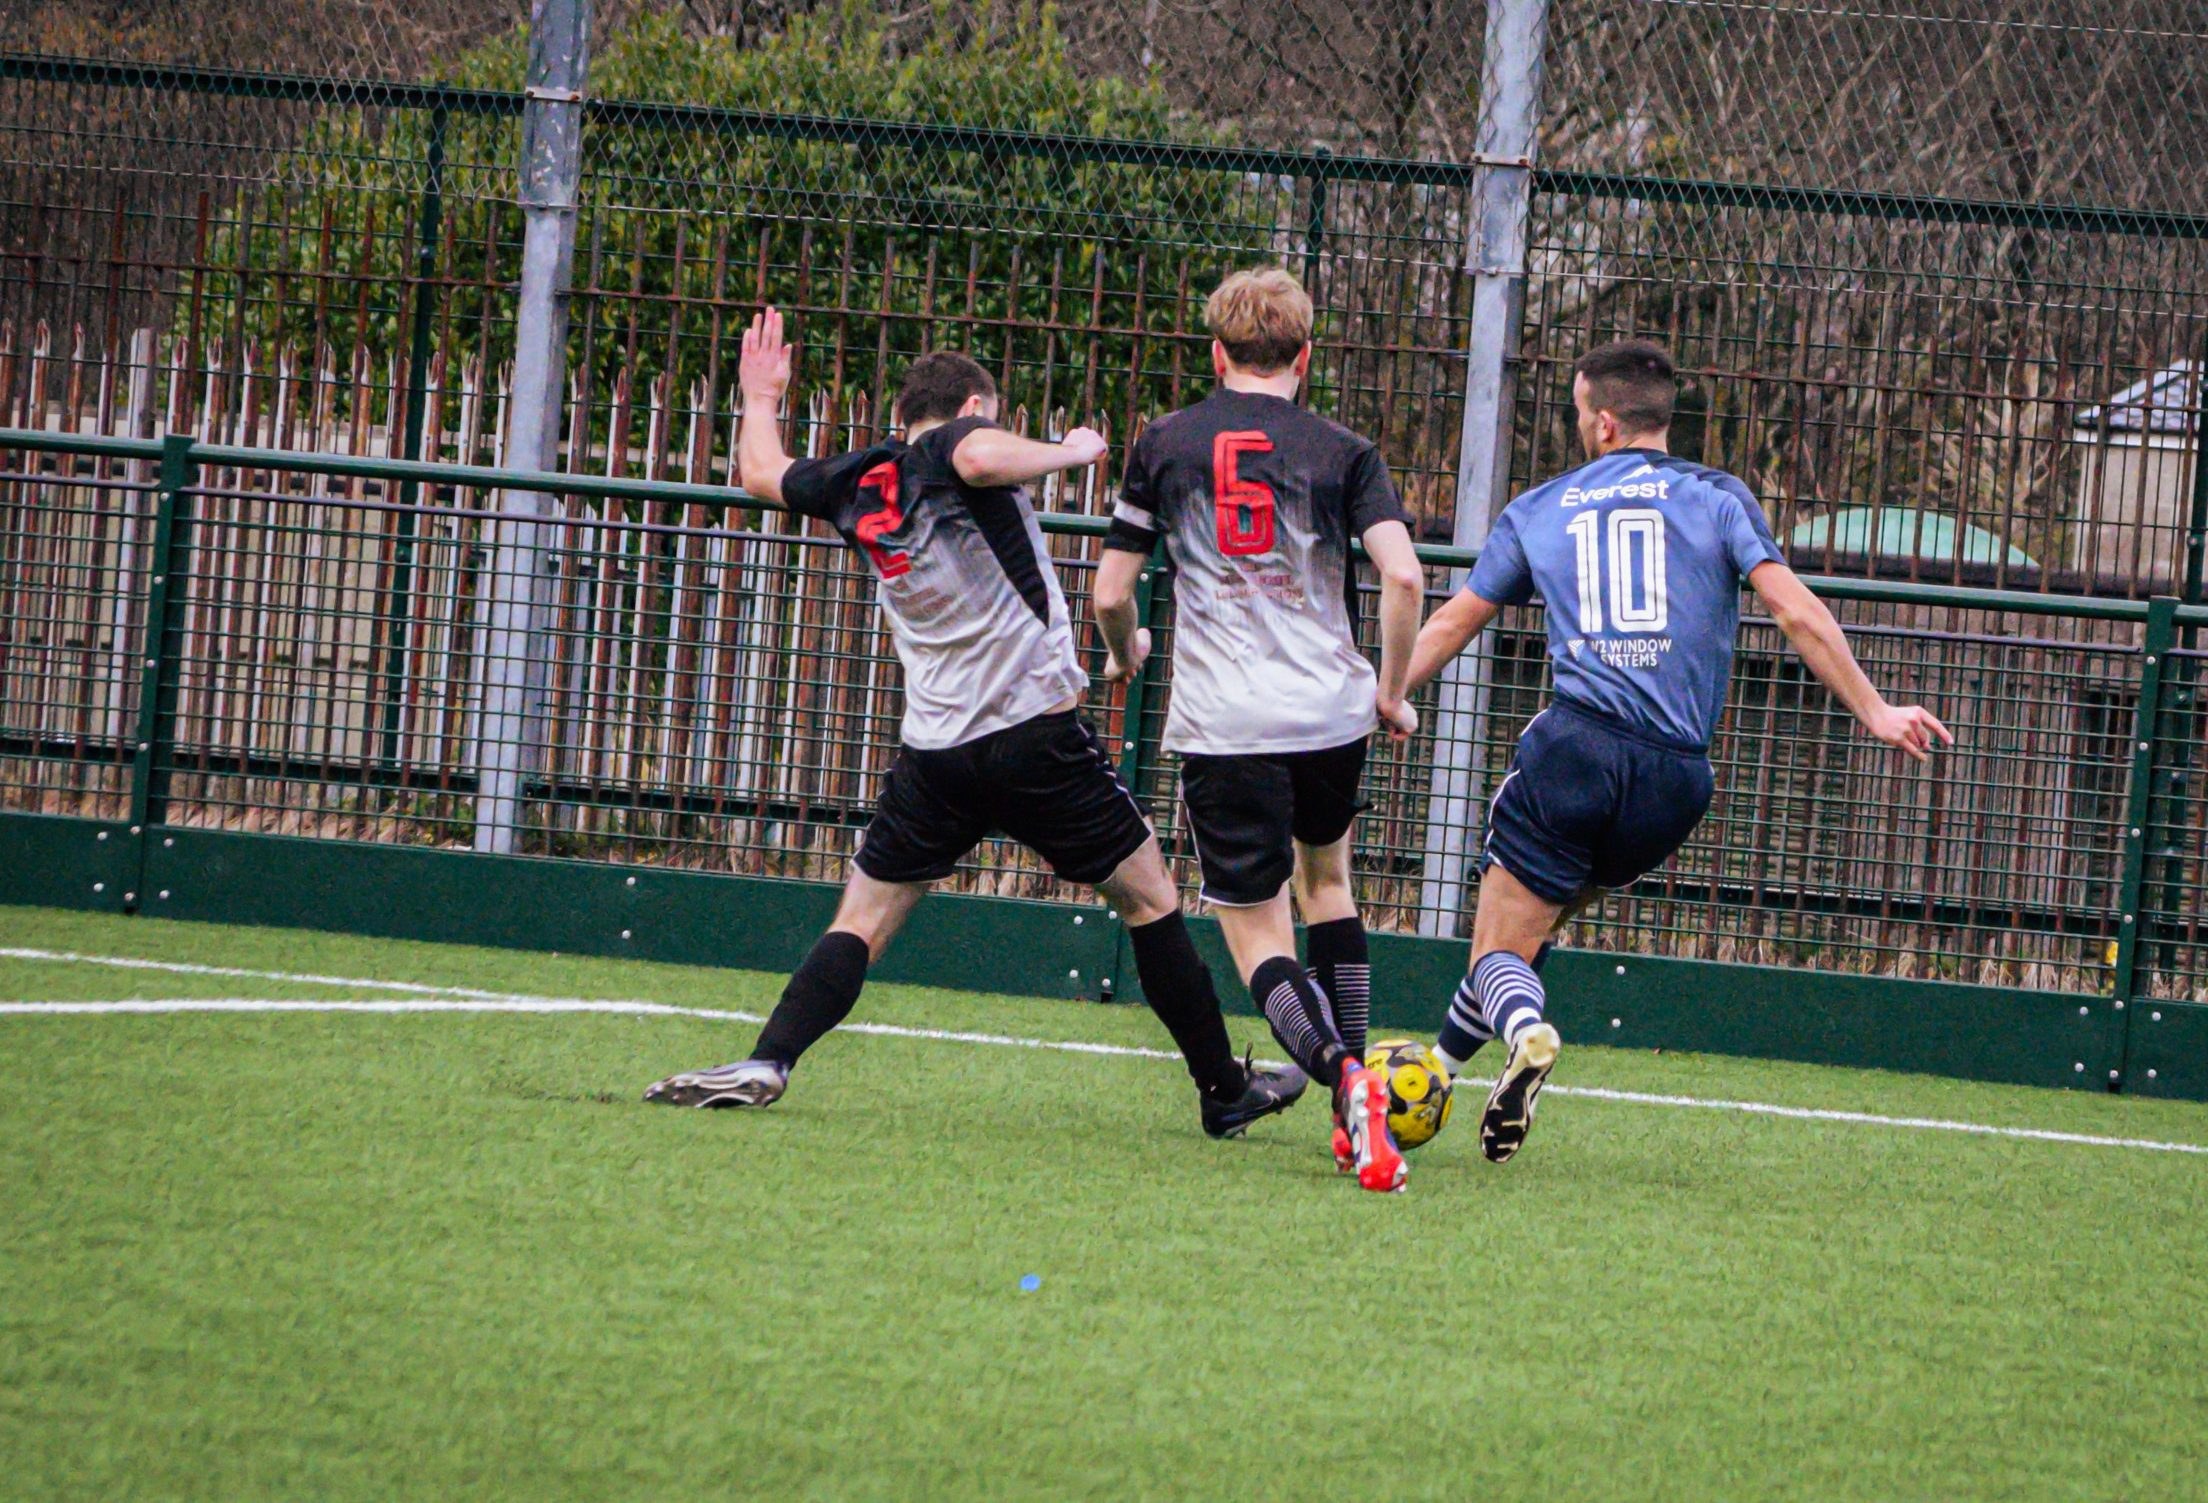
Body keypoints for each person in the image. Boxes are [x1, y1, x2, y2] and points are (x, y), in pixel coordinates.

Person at [646, 309, 1304, 1139]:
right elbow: (978, 453)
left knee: (864, 919)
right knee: (1149, 898)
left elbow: (760, 470)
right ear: (973, 408)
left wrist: (760, 393)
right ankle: (1222, 1089)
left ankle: (769, 1059)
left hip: (936, 751)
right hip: (1034, 740)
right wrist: (1071, 451)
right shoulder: (957, 447)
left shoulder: (861, 477)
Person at [1404, 338, 1955, 1163]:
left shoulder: (1540, 508)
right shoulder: (1720, 497)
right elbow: (1798, 612)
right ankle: (1440, 1071)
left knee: (1495, 952)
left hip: (1577, 750)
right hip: (1676, 780)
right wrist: (1873, 709)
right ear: (1663, 418)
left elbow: (1449, 624)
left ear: (1599, 422)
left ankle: (1524, 1034)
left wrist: (1377, 698)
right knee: (1531, 932)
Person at [1093, 267, 1427, 1193]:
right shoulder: (1344, 449)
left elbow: (1111, 591)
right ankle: (1353, 1118)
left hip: (1228, 720)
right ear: (1306, 356)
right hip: (1330, 711)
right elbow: (1403, 580)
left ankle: (1343, 1077)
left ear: (1216, 352)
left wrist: (1126, 653)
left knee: (1254, 934)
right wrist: (1390, 690)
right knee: (1330, 885)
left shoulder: (1164, 443)